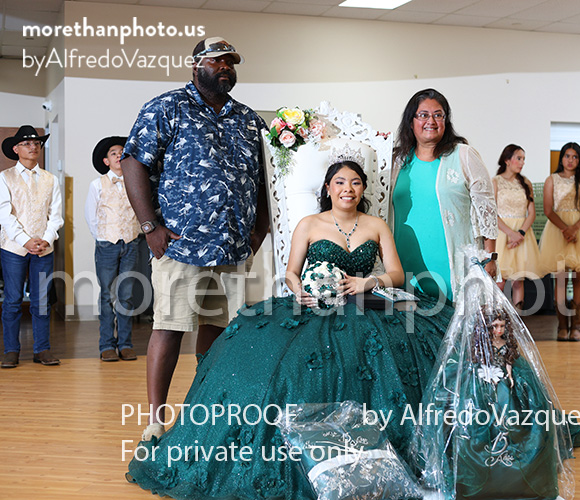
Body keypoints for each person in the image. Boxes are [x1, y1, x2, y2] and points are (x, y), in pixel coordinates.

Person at [126, 160, 454, 500]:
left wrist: (368, 282)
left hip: (363, 306)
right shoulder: (309, 224)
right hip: (313, 307)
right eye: (340, 182)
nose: (348, 189)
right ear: (328, 188)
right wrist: (301, 292)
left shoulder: (376, 225)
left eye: (356, 182)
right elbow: (292, 273)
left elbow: (396, 274)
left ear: (363, 189)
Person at [120, 37, 269, 439]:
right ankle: (156, 420)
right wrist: (149, 226)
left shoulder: (249, 119)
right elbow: (133, 162)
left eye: (230, 62)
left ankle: (204, 409)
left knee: (219, 330)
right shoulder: (166, 107)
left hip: (232, 246)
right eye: (216, 61)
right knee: (170, 327)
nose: (225, 67)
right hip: (180, 244)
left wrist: (261, 228)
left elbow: (264, 179)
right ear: (196, 65)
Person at [414, 252, 580, 500]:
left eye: (501, 326)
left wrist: (510, 375)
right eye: (494, 326)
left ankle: (512, 460)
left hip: (502, 373)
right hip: (482, 370)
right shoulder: (476, 344)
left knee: (511, 403)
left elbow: (509, 361)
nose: (498, 330)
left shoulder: (505, 345)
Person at [391, 88, 498, 303]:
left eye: (438, 115)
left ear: (446, 121)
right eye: (423, 115)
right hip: (405, 265)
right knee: (411, 323)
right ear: (411, 122)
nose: (431, 121)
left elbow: (486, 209)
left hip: (454, 266)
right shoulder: (397, 160)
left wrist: (490, 258)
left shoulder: (463, 155)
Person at [0, 125, 64, 368]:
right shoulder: (4, 177)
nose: (33, 147)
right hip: (13, 248)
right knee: (12, 300)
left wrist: (46, 238)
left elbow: (55, 216)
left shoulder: (51, 179)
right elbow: (4, 214)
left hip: (43, 248)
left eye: (36, 143)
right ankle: (11, 350)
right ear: (16, 149)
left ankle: (42, 349)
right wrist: (25, 240)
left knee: (42, 301)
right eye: (27, 143)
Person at [538, 142, 580, 342]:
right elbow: (548, 210)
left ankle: (577, 326)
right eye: (567, 156)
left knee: (579, 281)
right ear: (561, 158)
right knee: (560, 281)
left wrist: (574, 228)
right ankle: (562, 326)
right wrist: (565, 229)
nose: (570, 160)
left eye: (575, 157)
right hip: (557, 232)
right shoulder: (551, 180)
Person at [84, 136, 141, 362]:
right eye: (113, 153)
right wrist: (103, 238)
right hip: (107, 244)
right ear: (106, 161)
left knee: (126, 295)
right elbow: (91, 216)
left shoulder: (136, 182)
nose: (118, 156)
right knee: (107, 294)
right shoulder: (97, 184)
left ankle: (125, 343)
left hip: (131, 242)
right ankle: (106, 344)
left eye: (121, 152)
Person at [492, 144, 541, 310]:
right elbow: (492, 213)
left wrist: (520, 233)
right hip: (502, 234)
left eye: (524, 159)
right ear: (507, 160)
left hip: (522, 235)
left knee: (518, 281)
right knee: (499, 281)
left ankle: (518, 319)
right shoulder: (495, 182)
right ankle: (498, 319)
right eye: (519, 158)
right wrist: (510, 233)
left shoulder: (526, 183)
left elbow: (532, 213)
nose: (522, 163)